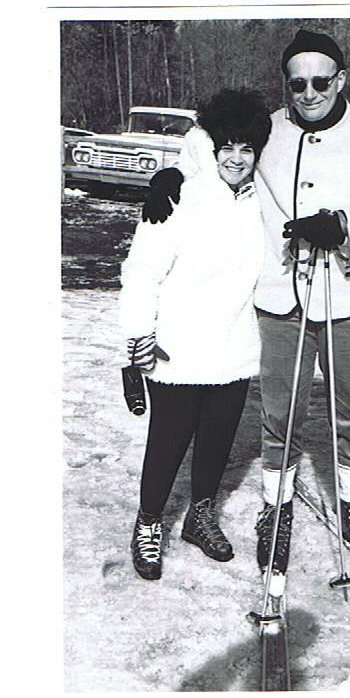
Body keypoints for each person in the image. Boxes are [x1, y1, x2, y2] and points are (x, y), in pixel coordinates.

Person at [144, 29, 350, 581]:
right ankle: (276, 509)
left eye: (322, 81)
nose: (310, 92)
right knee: (280, 414)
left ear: (340, 80)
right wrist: (173, 172)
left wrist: (345, 224)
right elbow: (208, 138)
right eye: (298, 83)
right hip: (280, 297)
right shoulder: (268, 128)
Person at [120, 89, 271, 580]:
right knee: (167, 442)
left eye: (246, 148)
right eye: (227, 146)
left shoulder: (259, 202)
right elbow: (142, 271)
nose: (236, 157)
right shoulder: (178, 194)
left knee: (216, 442)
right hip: (177, 347)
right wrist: (137, 337)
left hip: (234, 345)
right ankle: (148, 523)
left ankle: (200, 517)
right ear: (209, 144)